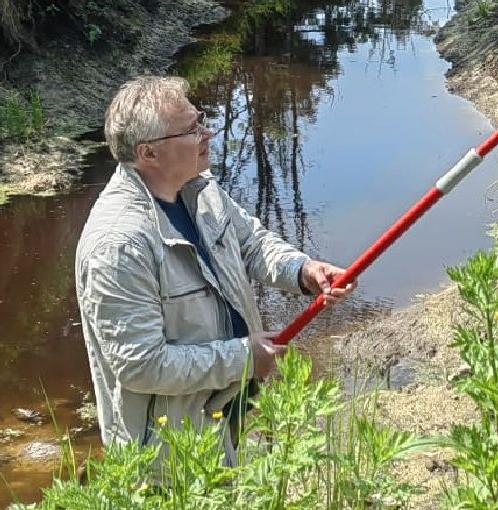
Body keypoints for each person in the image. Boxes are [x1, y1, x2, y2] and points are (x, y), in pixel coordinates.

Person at [74, 75, 352, 462]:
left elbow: (251, 244)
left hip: (235, 418)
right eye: (191, 129)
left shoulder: (199, 187)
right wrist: (244, 359)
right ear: (148, 153)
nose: (208, 133)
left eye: (201, 120)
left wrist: (303, 271)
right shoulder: (118, 245)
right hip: (171, 459)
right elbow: (140, 366)